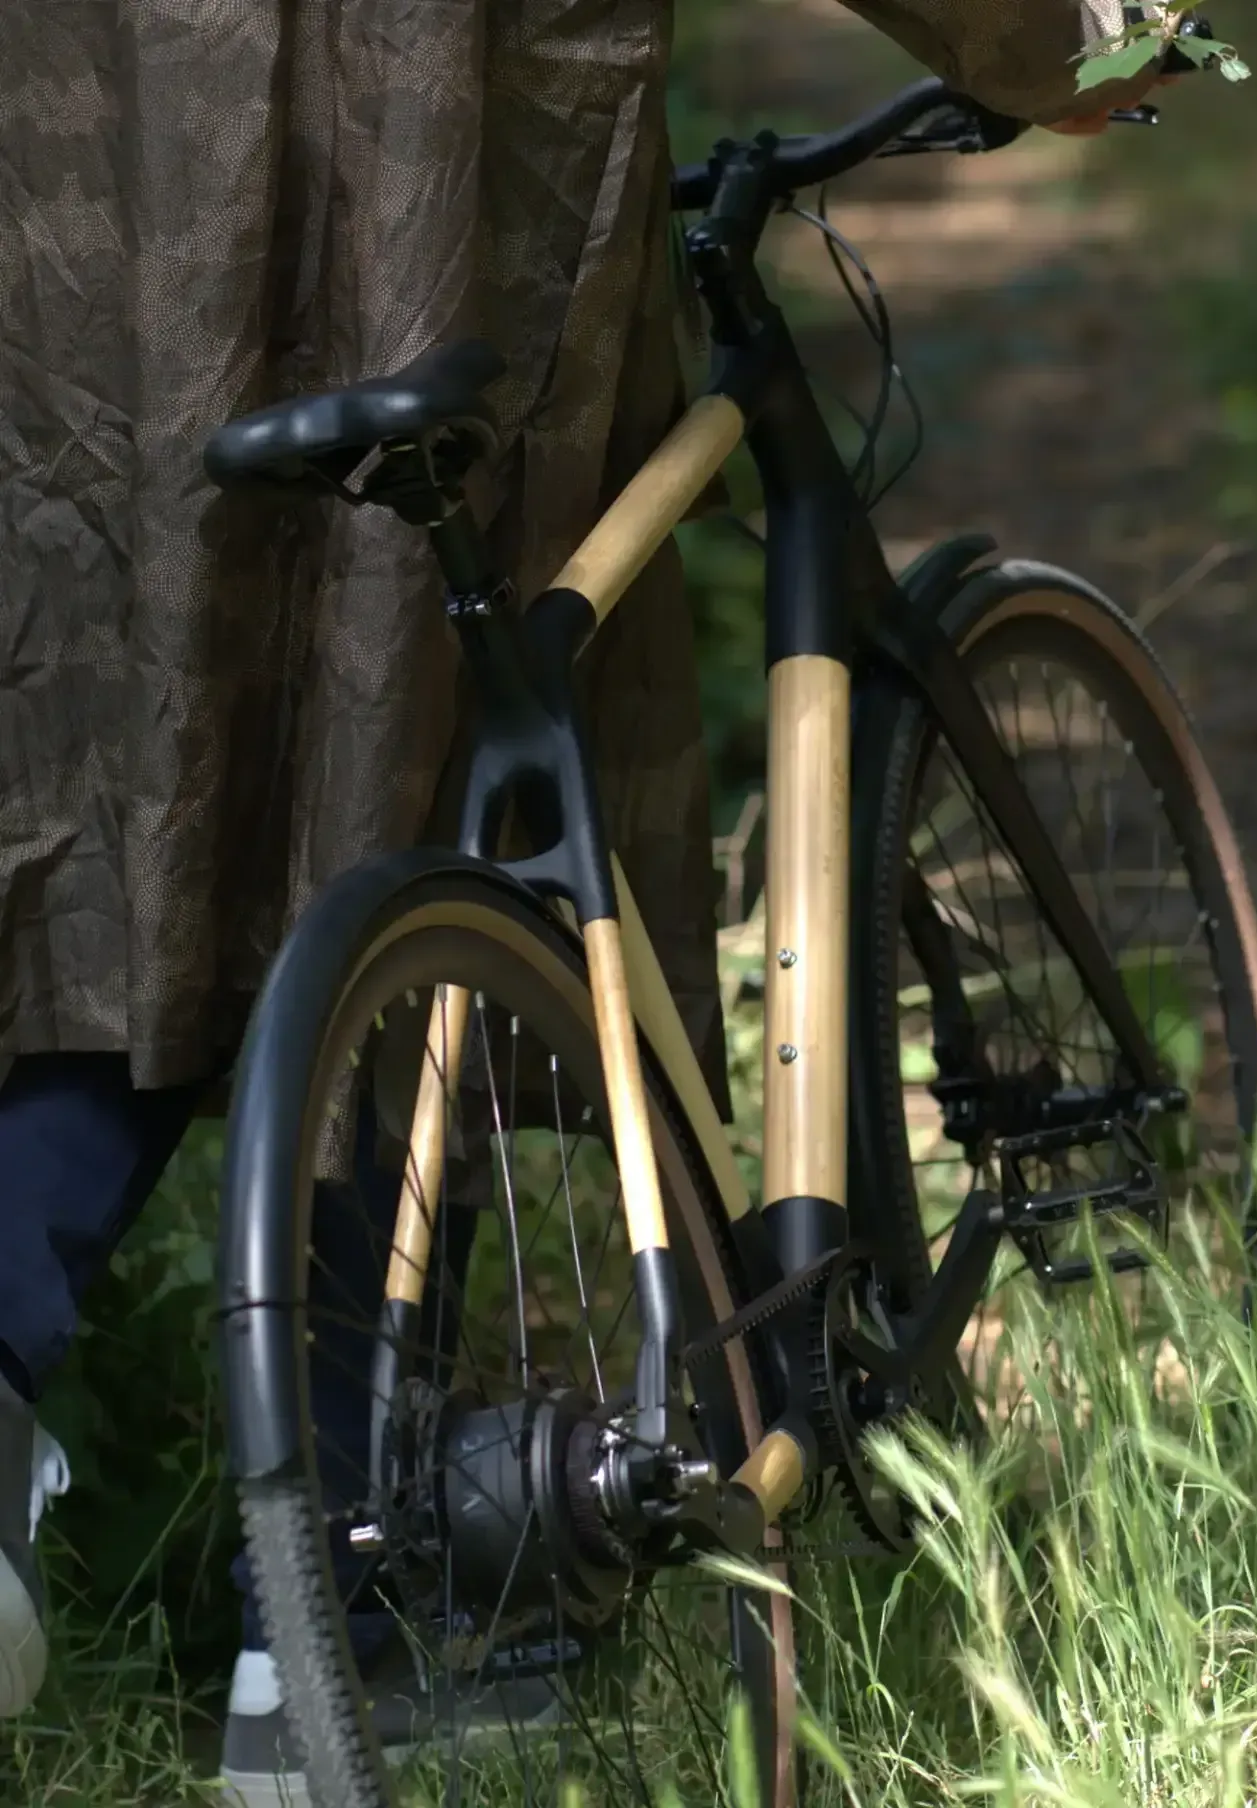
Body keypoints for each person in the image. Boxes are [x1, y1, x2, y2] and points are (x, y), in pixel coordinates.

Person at [0, 0, 1169, 1800]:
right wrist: (1069, 42)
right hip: (438, 166)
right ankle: (340, 1627)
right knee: (407, 762)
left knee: (145, 803)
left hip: (93, 206)